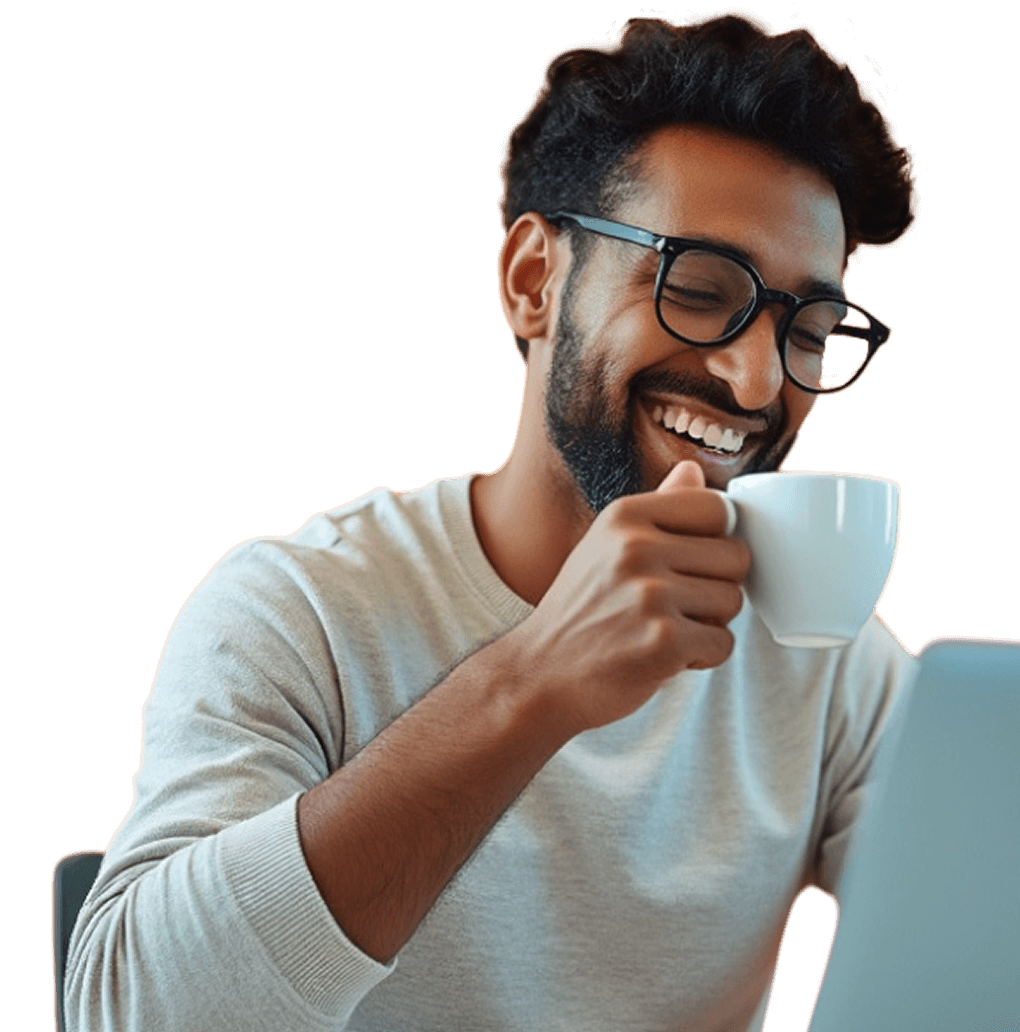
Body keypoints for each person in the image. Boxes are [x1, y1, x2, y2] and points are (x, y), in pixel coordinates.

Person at [64, 12, 921, 1031]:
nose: (755, 381)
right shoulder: (297, 610)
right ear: (532, 282)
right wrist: (532, 681)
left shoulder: (826, 657)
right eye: (698, 290)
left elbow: (978, 945)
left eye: (808, 330)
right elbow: (128, 1008)